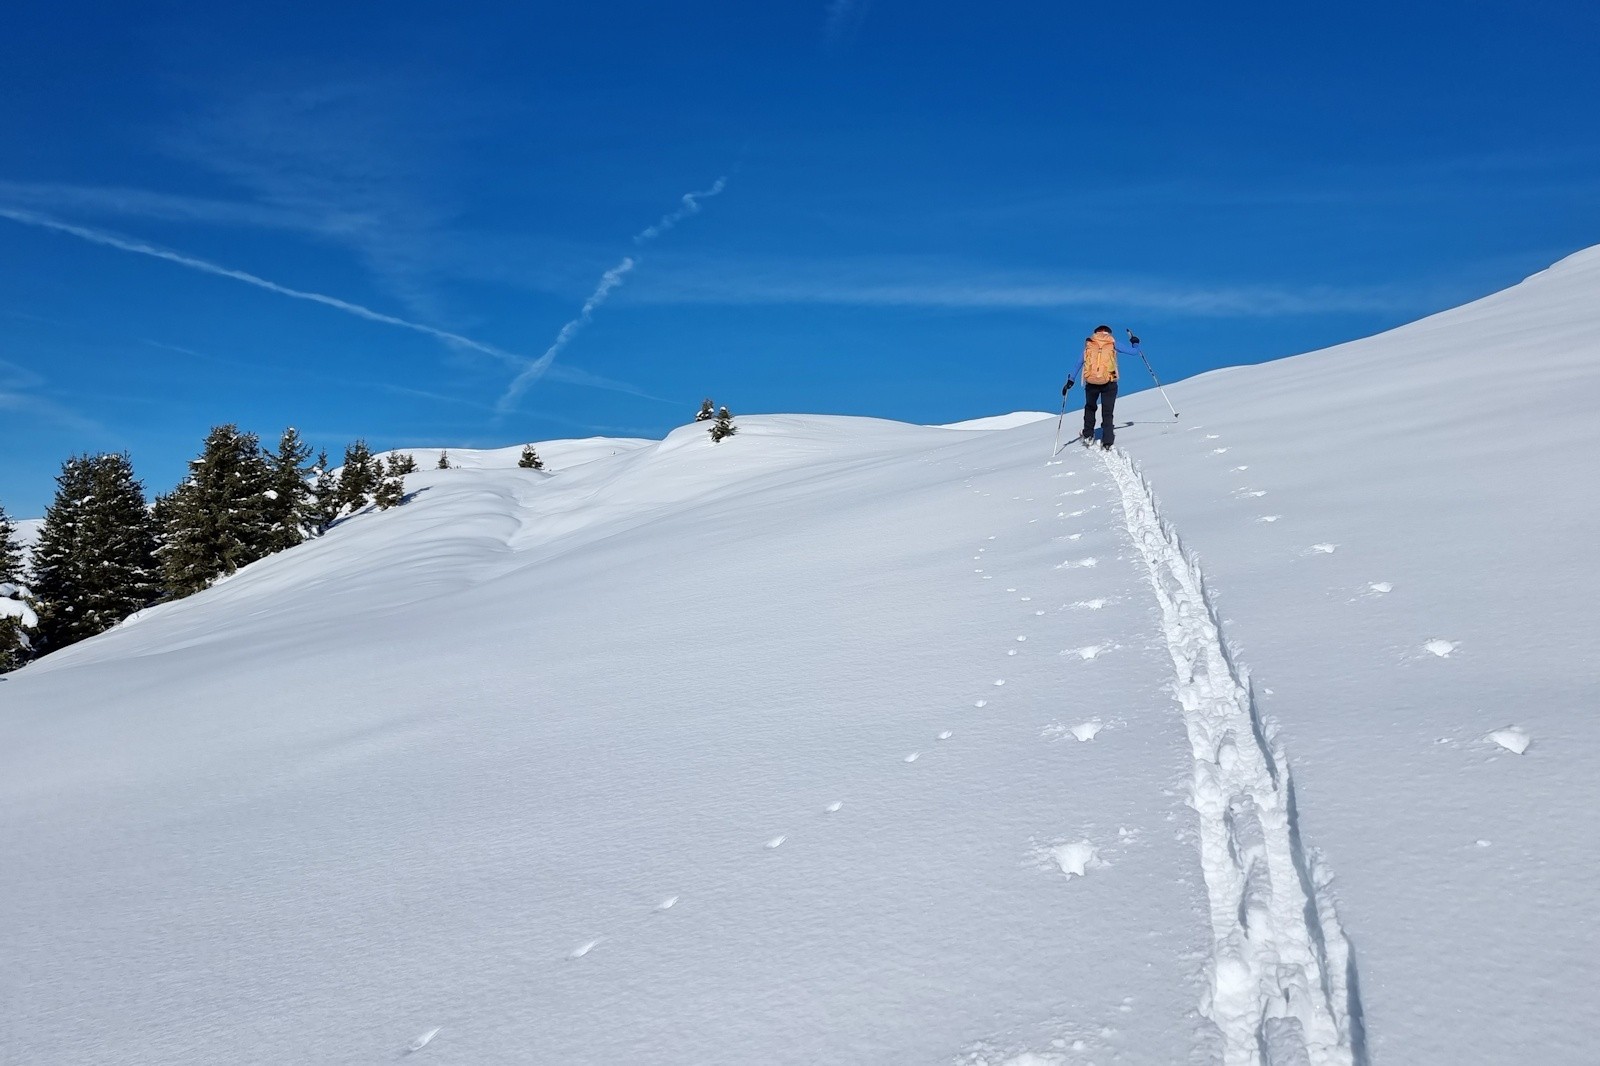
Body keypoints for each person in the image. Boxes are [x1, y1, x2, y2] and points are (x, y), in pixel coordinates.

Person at [1062, 325, 1120, 448]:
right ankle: (1108, 441)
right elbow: (1134, 352)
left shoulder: (1089, 345)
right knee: (1107, 412)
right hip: (1109, 382)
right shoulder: (1113, 344)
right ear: (1108, 333)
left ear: (1096, 333)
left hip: (1091, 383)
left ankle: (1088, 435)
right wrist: (1135, 342)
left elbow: (1079, 364)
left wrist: (1070, 380)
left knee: (1090, 407)